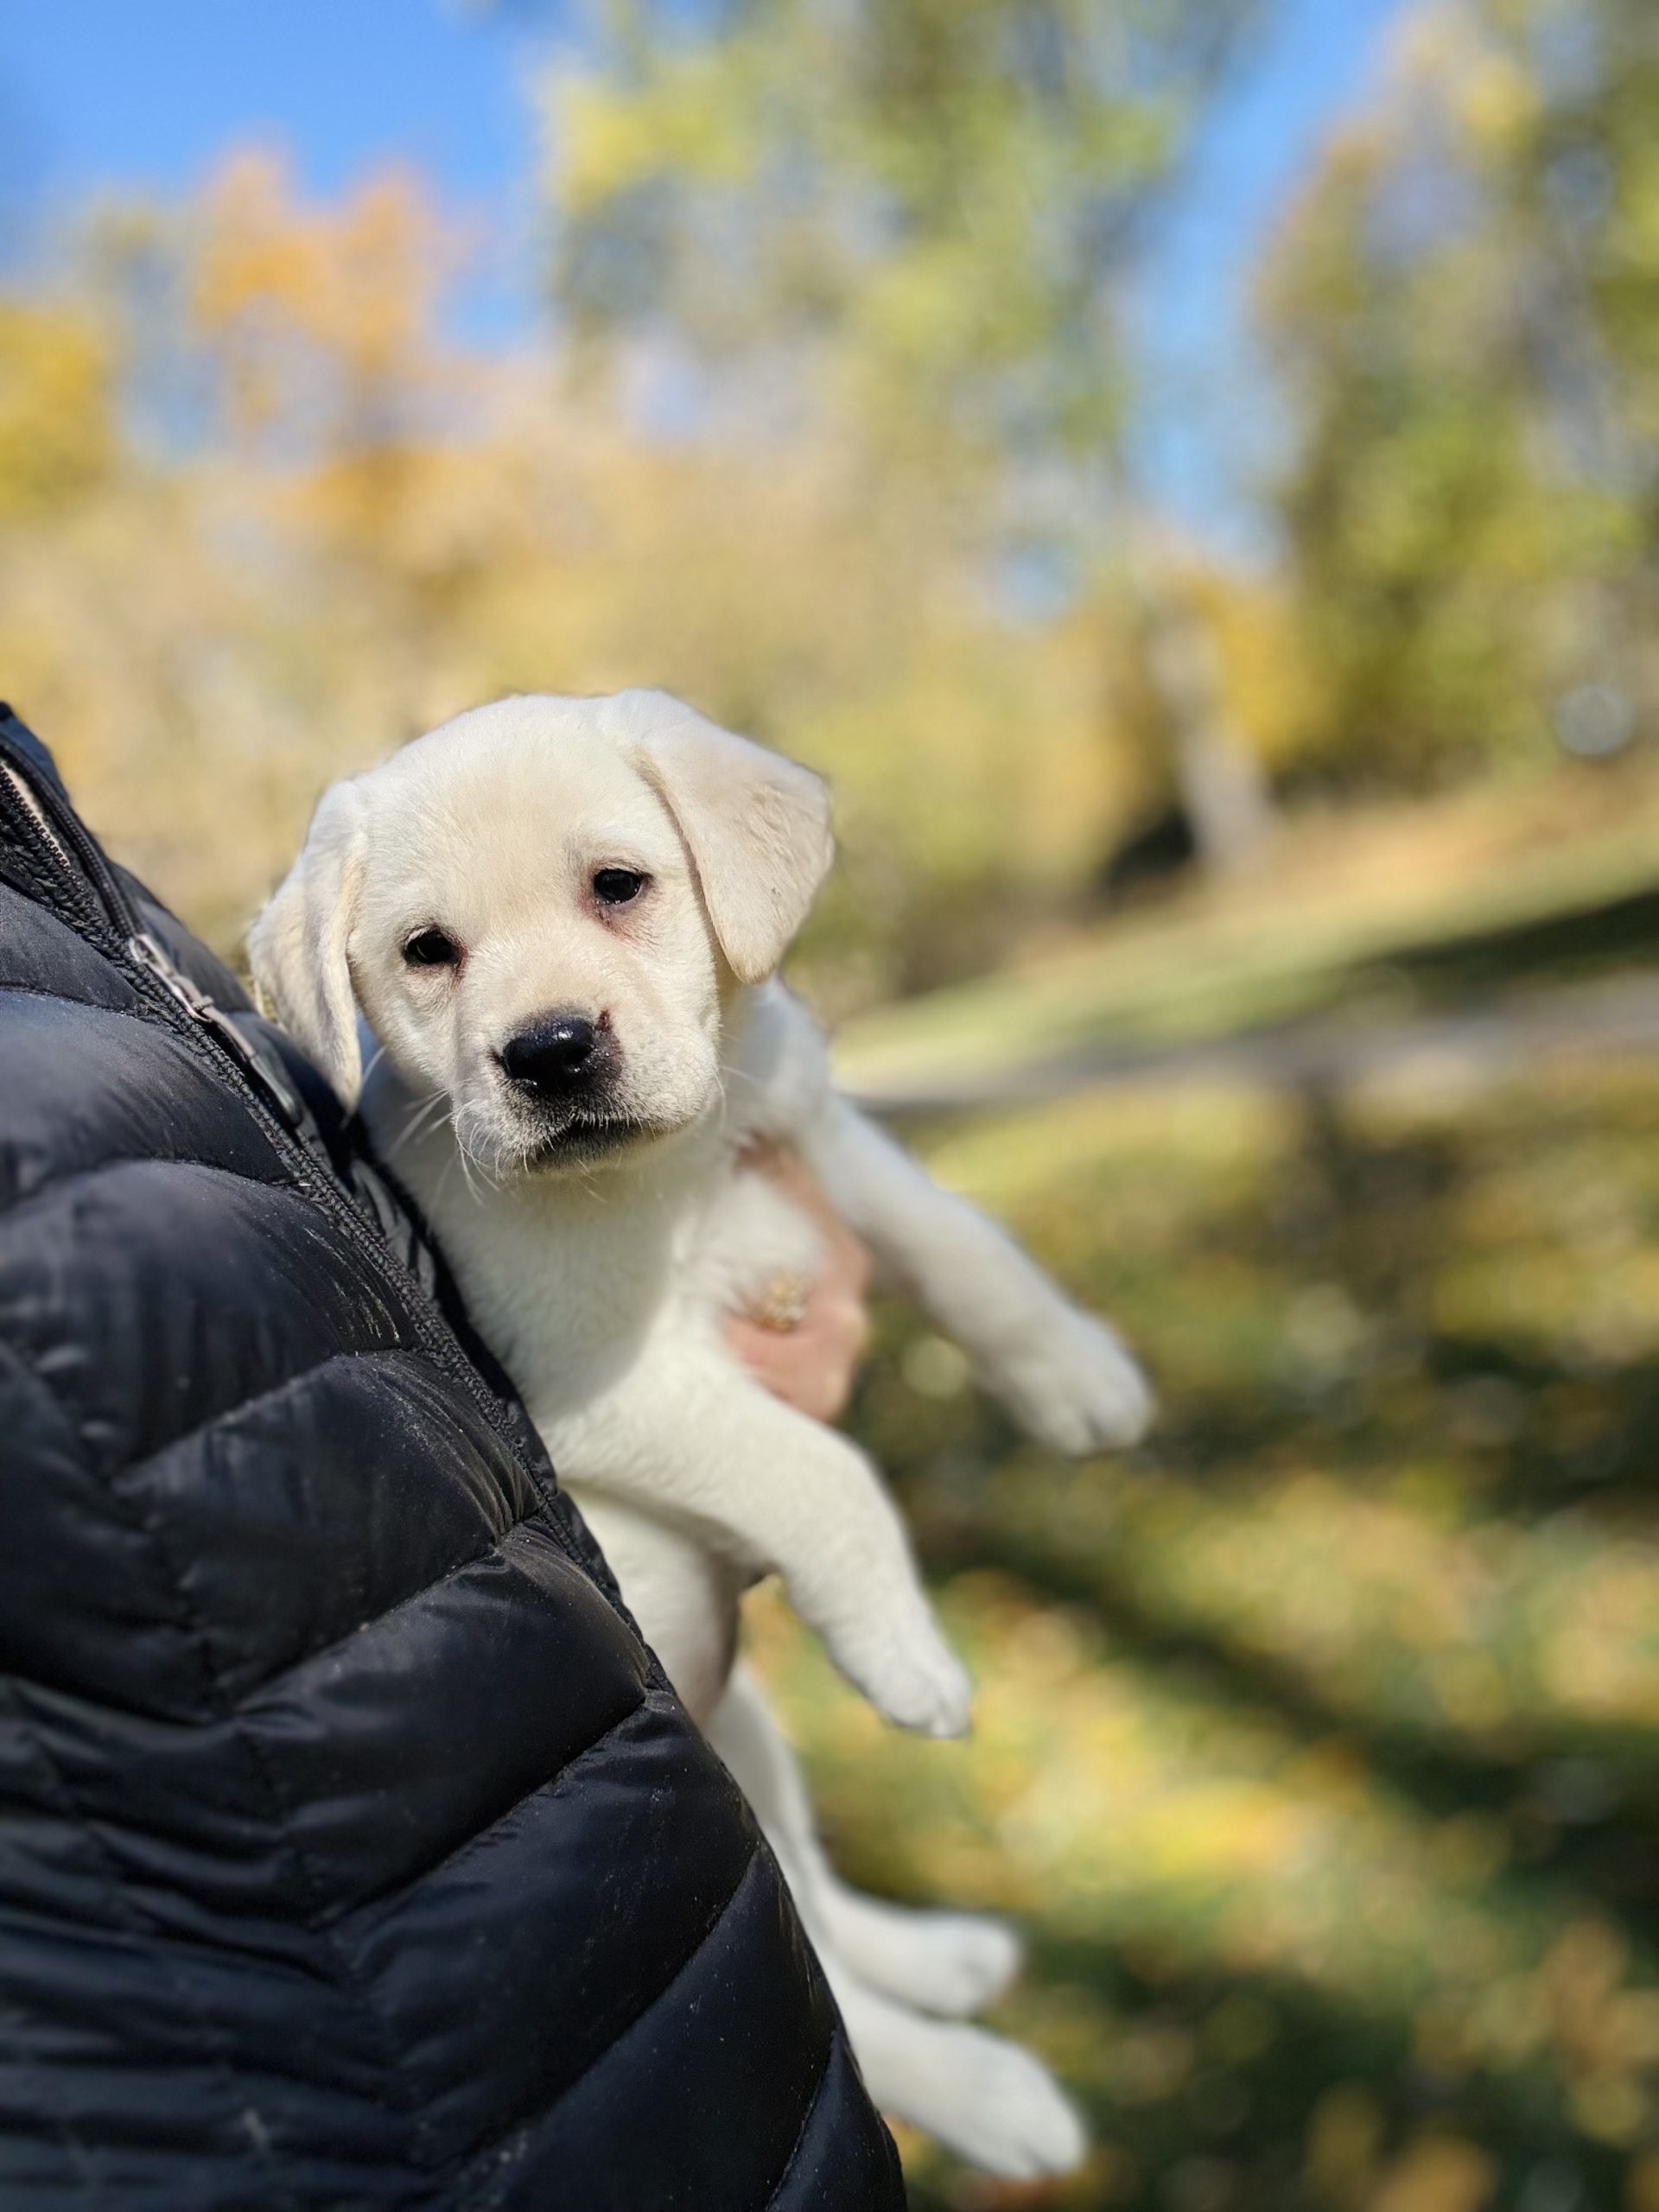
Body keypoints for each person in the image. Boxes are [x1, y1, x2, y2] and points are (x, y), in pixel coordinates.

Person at [0, 709, 905, 2210]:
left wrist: (744, 1316)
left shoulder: (48, 845)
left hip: (677, 1979)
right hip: (376, 2099)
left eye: (617, 887)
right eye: (432, 955)